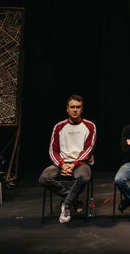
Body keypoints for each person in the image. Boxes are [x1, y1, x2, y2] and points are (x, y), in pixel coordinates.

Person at [38, 95, 97, 224]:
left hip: (81, 163)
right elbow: (52, 150)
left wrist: (74, 164)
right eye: (72, 107)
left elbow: (89, 149)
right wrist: (63, 164)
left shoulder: (90, 126)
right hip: (61, 163)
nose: (75, 110)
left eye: (78, 107)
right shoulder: (59, 127)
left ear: (82, 109)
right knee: (44, 178)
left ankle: (66, 204)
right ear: (67, 109)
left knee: (84, 177)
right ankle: (74, 200)